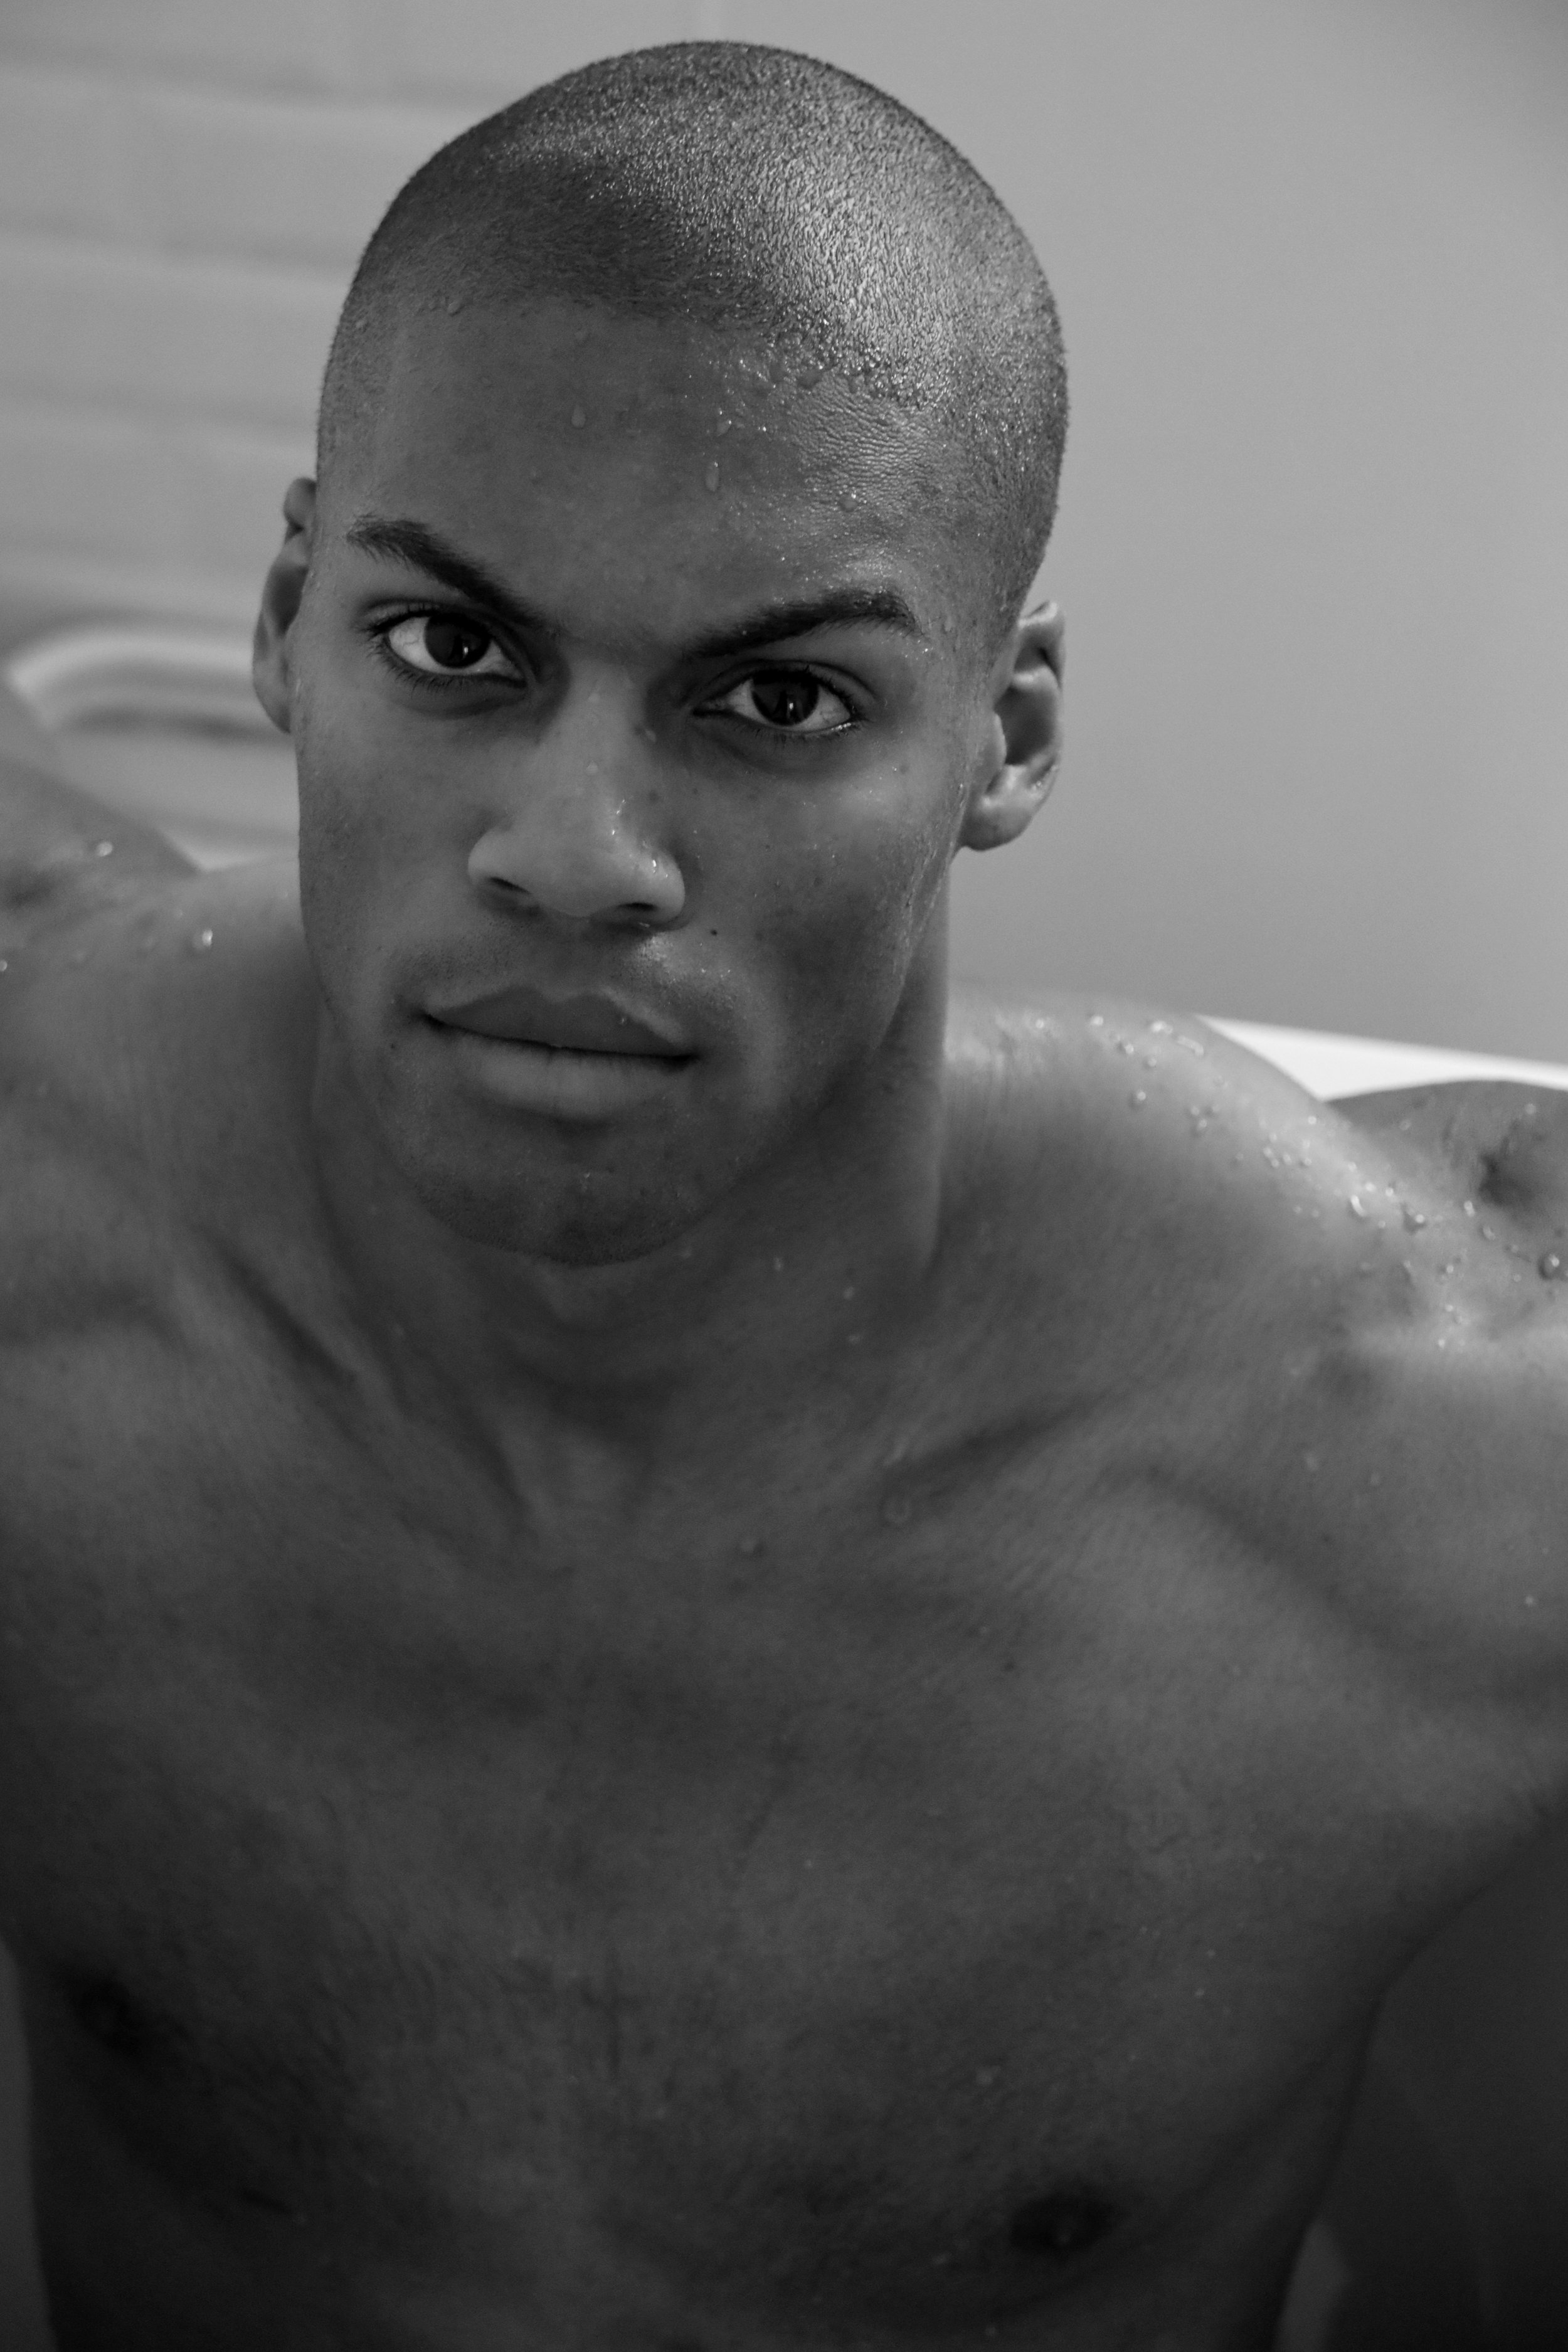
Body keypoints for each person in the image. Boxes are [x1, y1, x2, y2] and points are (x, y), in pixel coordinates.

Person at [1, 38, 1565, 2352]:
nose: (576, 856)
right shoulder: (48, 1220)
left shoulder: (1411, 1454)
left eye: (780, 703)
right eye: (453, 649)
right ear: (287, 622)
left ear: (1003, 736)